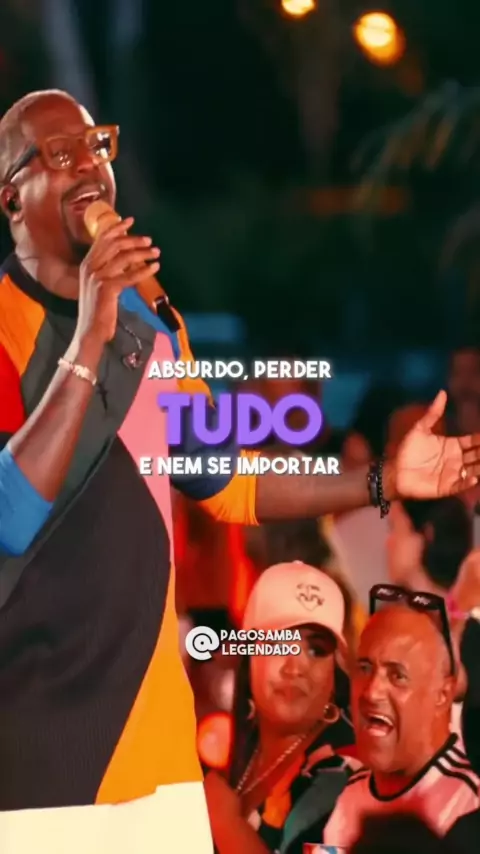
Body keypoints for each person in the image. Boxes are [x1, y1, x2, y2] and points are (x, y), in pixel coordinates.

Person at [1, 88, 480, 850]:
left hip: (162, 772)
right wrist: (89, 334)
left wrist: (386, 479)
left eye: (98, 146)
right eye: (61, 154)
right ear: (11, 197)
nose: (90, 167)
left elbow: (230, 484)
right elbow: (10, 515)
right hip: (41, 774)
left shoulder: (150, 327)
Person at [204, 562, 359, 854]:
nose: (295, 668)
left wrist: (226, 823)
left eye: (316, 649)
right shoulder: (245, 749)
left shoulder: (345, 777)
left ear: (333, 673)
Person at [323, 588, 480, 848]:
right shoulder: (344, 797)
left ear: (442, 694)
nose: (372, 692)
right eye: (365, 668)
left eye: (397, 676)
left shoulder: (468, 803)